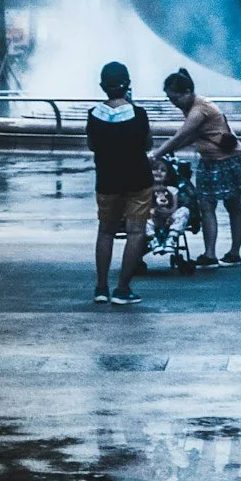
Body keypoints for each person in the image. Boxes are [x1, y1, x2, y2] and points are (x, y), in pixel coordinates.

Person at [151, 69, 241, 267]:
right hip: (210, 160)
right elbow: (191, 137)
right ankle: (213, 255)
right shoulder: (192, 107)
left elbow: (182, 135)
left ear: (187, 92)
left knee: (229, 206)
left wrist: (156, 155)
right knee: (209, 206)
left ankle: (228, 254)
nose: (173, 103)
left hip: (227, 160)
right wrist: (166, 151)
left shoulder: (200, 109)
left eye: (174, 98)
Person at [86, 60, 154, 304]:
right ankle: (123, 289)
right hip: (138, 180)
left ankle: (101, 287)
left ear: (102, 86)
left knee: (106, 231)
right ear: (128, 85)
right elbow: (147, 145)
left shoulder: (94, 115)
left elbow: (92, 145)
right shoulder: (139, 114)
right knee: (136, 232)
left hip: (106, 180)